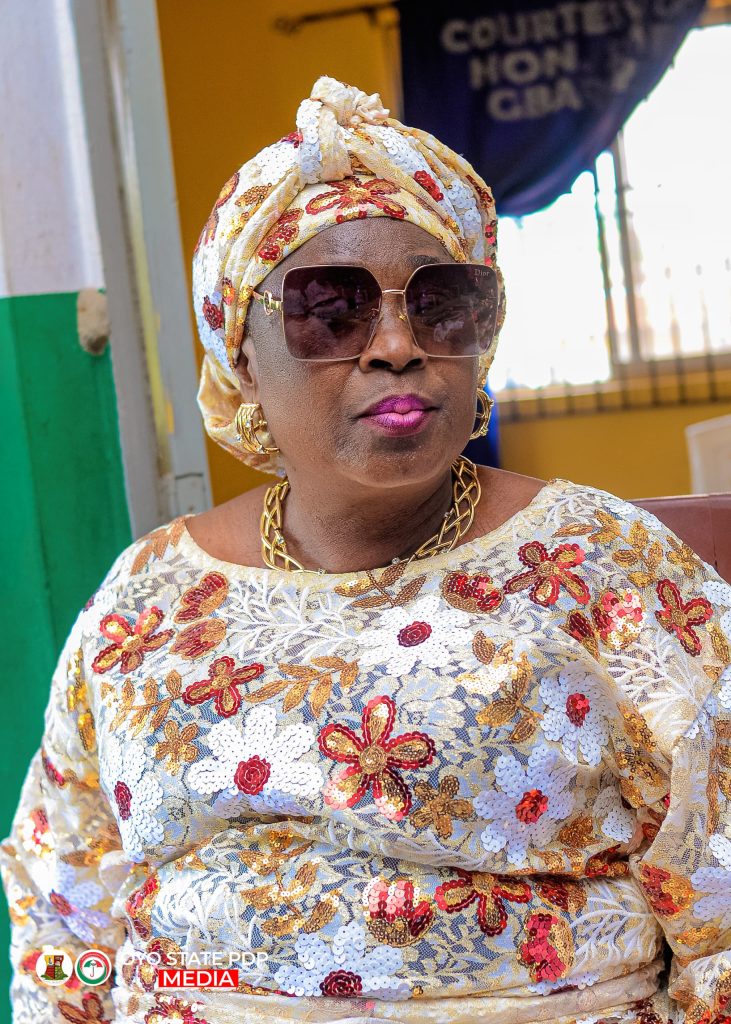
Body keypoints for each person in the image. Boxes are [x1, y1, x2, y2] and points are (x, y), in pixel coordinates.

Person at [1, 76, 730, 1024]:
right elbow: (61, 913)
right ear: (240, 354)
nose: (395, 345)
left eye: (441, 304)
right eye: (329, 308)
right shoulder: (145, 599)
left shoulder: (604, 567)